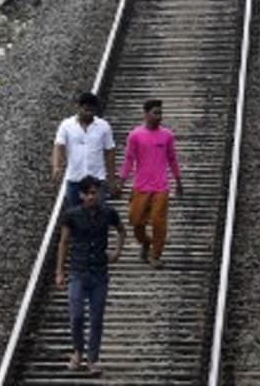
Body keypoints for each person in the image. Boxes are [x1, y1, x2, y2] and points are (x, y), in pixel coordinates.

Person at [55, 175, 126, 375]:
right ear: (81, 195)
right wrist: (60, 271)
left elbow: (121, 231)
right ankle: (78, 351)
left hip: (99, 273)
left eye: (95, 193)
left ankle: (92, 358)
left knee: (97, 318)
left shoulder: (108, 213)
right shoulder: (72, 215)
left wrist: (117, 252)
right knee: (76, 316)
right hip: (77, 272)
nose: (92, 197)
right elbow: (64, 242)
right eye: (88, 193)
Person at [119, 98, 183, 268]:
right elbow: (128, 159)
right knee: (136, 221)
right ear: (146, 114)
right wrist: (122, 180)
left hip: (161, 187)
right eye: (155, 113)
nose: (159, 116)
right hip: (140, 186)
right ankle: (146, 242)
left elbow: (172, 159)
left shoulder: (167, 135)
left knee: (158, 222)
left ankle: (156, 255)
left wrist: (178, 180)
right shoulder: (135, 135)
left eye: (160, 113)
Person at [53, 91, 120, 207]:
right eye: (86, 109)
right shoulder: (66, 125)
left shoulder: (103, 126)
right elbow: (59, 146)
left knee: (98, 215)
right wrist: (57, 166)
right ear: (78, 108)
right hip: (75, 178)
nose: (89, 113)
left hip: (97, 179)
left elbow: (110, 151)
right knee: (74, 215)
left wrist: (111, 178)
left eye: (92, 110)